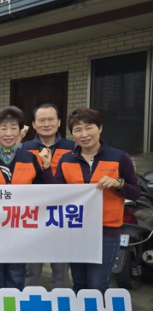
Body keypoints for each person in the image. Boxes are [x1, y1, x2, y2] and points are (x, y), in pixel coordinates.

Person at [46, 108, 140, 294]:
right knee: (79, 284)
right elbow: (56, 193)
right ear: (72, 134)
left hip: (107, 231)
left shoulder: (119, 157)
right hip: (76, 230)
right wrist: (47, 167)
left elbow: (135, 192)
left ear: (100, 128)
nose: (84, 134)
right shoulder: (66, 159)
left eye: (89, 127)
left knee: (97, 285)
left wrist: (118, 183)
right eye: (77, 130)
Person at [0, 106, 52, 294]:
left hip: (20, 229)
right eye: (3, 128)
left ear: (20, 132)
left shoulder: (30, 158)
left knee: (17, 274)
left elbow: (42, 192)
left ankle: (13, 309)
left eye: (13, 128)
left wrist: (47, 168)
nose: (9, 133)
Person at [22, 103, 75, 290]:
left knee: (61, 265)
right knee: (31, 266)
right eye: (41, 120)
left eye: (51, 119)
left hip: (61, 213)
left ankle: (61, 300)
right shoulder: (23, 148)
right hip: (32, 213)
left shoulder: (72, 148)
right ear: (33, 124)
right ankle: (30, 300)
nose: (46, 124)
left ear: (59, 122)